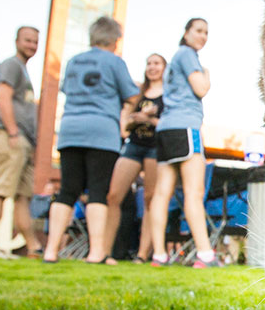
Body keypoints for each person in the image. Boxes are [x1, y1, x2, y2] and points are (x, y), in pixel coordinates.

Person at [42, 18, 141, 264]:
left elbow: (67, 89)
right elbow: (132, 94)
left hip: (70, 130)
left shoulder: (74, 61)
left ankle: (50, 251)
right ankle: (96, 253)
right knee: (98, 190)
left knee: (67, 190)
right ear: (114, 39)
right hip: (101, 131)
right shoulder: (114, 62)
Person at [146, 18, 218, 267]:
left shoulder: (177, 57)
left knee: (162, 193)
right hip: (185, 127)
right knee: (194, 192)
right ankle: (206, 254)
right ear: (186, 33)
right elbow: (201, 89)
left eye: (206, 32)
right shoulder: (187, 55)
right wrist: (207, 75)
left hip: (166, 129)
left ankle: (158, 254)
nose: (203, 36)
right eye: (198, 30)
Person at [0, 26, 43, 259]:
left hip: (23, 140)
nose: (32, 46)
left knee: (22, 196)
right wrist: (13, 131)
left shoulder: (23, 71)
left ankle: (34, 247)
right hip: (8, 137)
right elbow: (2, 96)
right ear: (17, 40)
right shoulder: (11, 65)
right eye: (27, 40)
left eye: (35, 42)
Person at [109, 53, 166, 263]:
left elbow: (167, 124)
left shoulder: (168, 95)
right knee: (113, 195)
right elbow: (125, 126)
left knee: (150, 199)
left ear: (164, 68)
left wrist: (149, 119)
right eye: (149, 63)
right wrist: (137, 118)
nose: (152, 67)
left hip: (154, 148)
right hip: (133, 145)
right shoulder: (137, 93)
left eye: (157, 63)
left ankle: (142, 254)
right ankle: (105, 251)